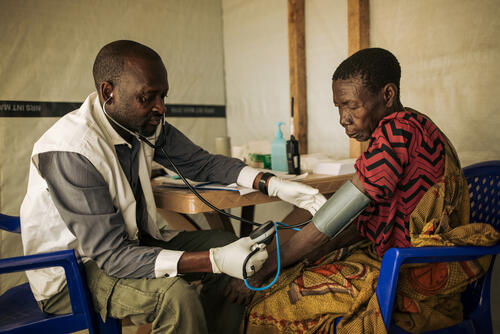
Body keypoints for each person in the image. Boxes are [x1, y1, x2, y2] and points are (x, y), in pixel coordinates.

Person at [19, 40, 326, 334]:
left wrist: (272, 183)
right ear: (108, 92)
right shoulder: (71, 150)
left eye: (163, 96)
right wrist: (214, 259)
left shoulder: (139, 124)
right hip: (75, 271)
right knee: (175, 297)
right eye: (148, 97)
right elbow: (112, 256)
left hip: (136, 245)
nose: (161, 108)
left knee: (228, 247)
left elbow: (202, 164)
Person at [230, 48, 500, 333]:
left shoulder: (396, 133)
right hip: (404, 260)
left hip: (411, 274)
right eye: (339, 107)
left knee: (273, 302)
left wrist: (271, 264)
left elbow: (334, 218)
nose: (343, 118)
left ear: (387, 95)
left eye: (351, 106)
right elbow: (357, 220)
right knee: (295, 269)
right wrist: (285, 258)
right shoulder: (413, 124)